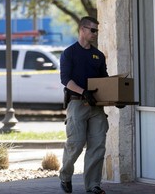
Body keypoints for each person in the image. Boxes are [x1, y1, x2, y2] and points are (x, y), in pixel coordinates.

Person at [59, 16, 108, 194]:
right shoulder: (69, 53)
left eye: (96, 31)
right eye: (92, 30)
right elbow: (65, 79)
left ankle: (93, 185)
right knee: (76, 144)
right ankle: (65, 176)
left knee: (97, 146)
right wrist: (83, 91)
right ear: (82, 30)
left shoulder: (98, 56)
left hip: (96, 107)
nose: (95, 33)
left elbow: (105, 81)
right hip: (77, 104)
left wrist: (116, 99)